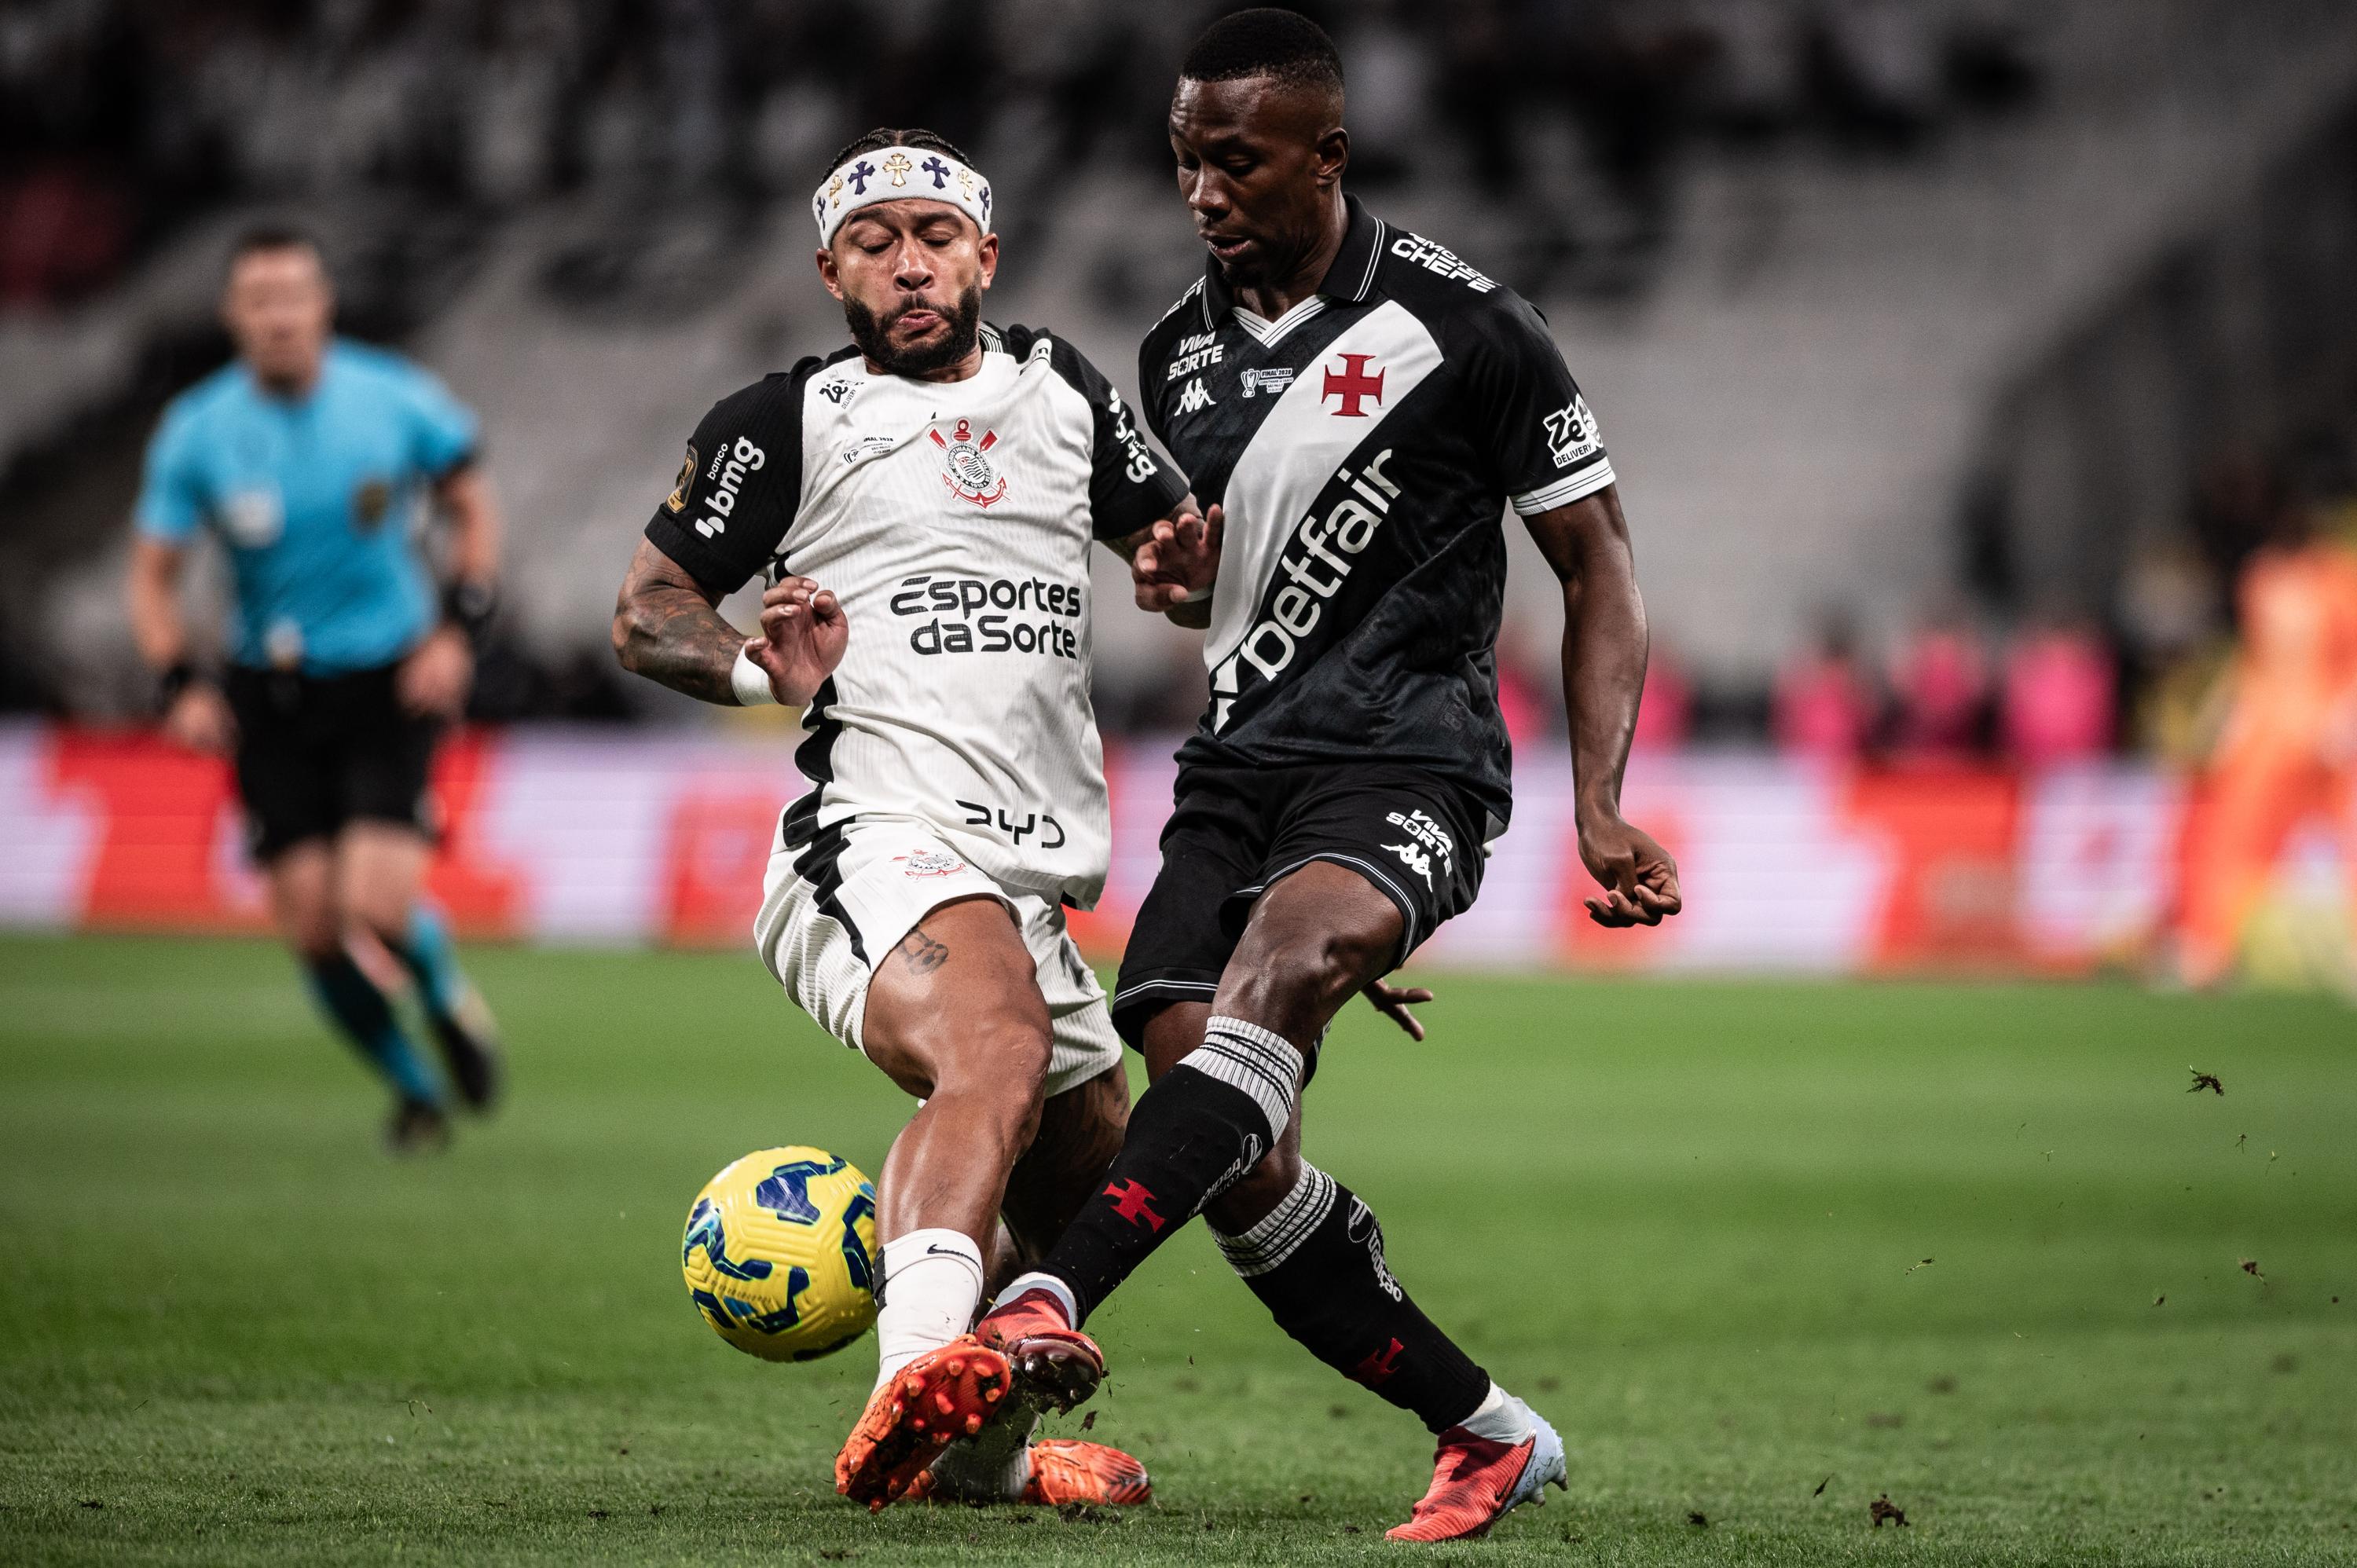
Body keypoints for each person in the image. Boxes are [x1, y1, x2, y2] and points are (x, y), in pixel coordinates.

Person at [907, 9, 1682, 1542]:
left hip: (1415, 757)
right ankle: (1487, 1427)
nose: (1201, 186)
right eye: (1186, 156)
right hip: (1237, 767)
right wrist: (1178, 574)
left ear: (1326, 153)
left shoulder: (1470, 328)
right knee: (1235, 1141)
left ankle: (1043, 1298)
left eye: (1236, 158)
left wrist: (1600, 799)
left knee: (1269, 985)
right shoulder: (1177, 353)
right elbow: (1220, 583)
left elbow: (1597, 558)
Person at [610, 129, 1213, 1511]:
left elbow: (1177, 568)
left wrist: (1192, 568)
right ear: (833, 272)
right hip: (869, 832)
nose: (909, 261)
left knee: (1086, 1190)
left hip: (1030, 874)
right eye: (873, 243)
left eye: (935, 235)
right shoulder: (783, 420)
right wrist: (765, 669)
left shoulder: (1066, 392)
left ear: (986, 254)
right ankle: (914, 1370)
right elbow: (646, 614)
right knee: (989, 1045)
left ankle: (975, 1467)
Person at [126, 226, 505, 1153]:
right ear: (234, 315)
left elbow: (473, 505)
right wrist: (179, 680)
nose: (280, 316)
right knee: (313, 933)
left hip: (389, 681)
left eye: (295, 295)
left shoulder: (393, 398)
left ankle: (446, 995)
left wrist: (459, 629)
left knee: (375, 905)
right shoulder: (199, 431)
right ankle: (417, 1092)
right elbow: (151, 575)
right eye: (260, 299)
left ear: (323, 303)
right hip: (271, 696)